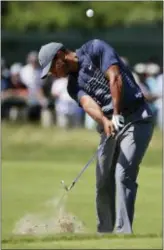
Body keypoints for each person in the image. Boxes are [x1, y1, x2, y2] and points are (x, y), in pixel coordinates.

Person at [38, 39, 154, 234]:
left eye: (52, 68)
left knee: (123, 173)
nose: (53, 74)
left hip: (136, 118)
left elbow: (115, 77)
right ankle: (105, 232)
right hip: (110, 125)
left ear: (60, 56)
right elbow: (88, 104)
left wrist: (116, 113)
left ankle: (123, 233)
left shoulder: (95, 49)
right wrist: (105, 121)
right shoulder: (72, 86)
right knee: (102, 180)